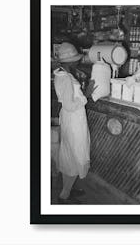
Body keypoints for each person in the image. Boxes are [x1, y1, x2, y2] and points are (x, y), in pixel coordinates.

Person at [53, 42, 96, 204]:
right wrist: (87, 94)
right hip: (73, 120)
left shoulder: (64, 73)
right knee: (75, 154)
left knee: (71, 154)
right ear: (69, 61)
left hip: (73, 119)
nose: (77, 62)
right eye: (75, 59)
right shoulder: (64, 77)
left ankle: (67, 190)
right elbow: (70, 105)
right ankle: (64, 195)